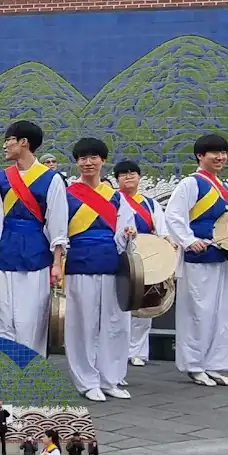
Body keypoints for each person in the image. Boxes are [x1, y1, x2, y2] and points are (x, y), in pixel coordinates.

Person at [0, 121, 67, 355]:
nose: (5, 146)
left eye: (9, 140)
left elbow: (57, 222)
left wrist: (57, 263)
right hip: (4, 255)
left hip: (36, 257)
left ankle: (28, 371)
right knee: (0, 319)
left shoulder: (51, 179)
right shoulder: (0, 179)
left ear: (24, 143)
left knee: (30, 322)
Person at [65, 138, 136, 402]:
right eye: (83, 158)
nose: (88, 163)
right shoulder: (67, 194)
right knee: (82, 325)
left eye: (94, 157)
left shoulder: (116, 197)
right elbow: (57, 229)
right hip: (80, 264)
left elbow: (124, 230)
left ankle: (110, 379)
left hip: (111, 264)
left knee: (116, 324)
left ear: (103, 161)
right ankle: (87, 381)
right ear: (77, 163)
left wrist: (128, 234)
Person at [165, 134, 228, 387]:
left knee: (220, 314)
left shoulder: (223, 186)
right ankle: (194, 364)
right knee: (198, 312)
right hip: (198, 257)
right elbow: (174, 215)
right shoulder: (191, 184)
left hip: (221, 256)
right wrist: (189, 240)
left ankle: (214, 363)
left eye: (223, 153)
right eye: (215, 153)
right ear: (200, 156)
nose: (220, 157)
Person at [114, 160, 175, 370]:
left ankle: (137, 352)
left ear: (139, 177)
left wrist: (167, 243)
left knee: (145, 303)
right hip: (122, 257)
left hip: (146, 257)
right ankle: (118, 351)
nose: (129, 177)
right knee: (121, 305)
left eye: (133, 173)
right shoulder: (114, 201)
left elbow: (162, 229)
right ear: (117, 179)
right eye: (123, 174)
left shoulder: (150, 204)